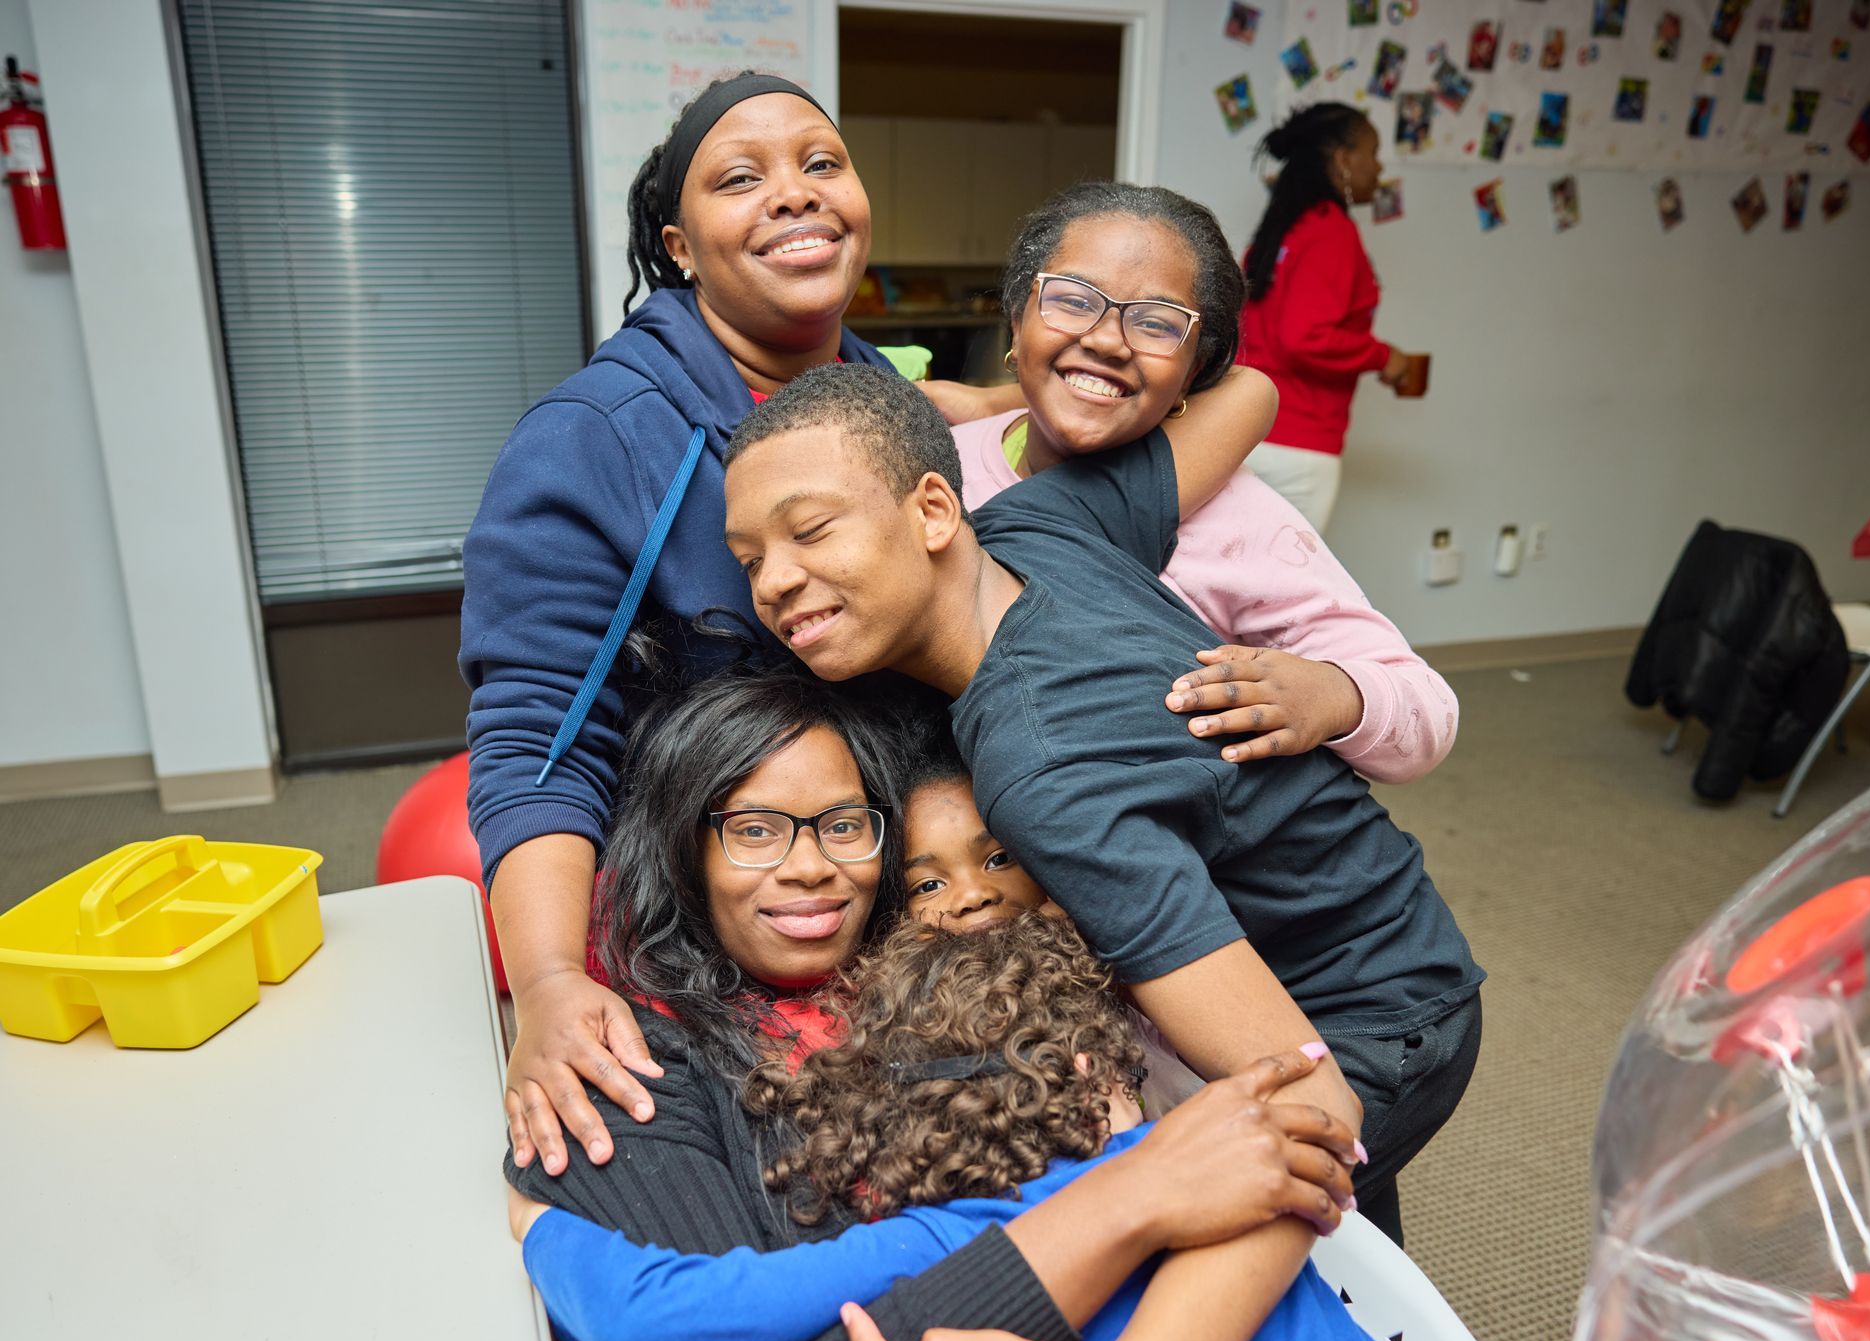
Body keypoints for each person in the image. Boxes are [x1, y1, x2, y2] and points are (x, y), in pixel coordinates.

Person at [463, 81, 1297, 1178]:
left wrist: (1021, 396)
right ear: (678, 246)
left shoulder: (886, 400)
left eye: (821, 163)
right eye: (740, 177)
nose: (793, 197)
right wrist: (551, 982)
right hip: (741, 921)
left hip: (924, 896)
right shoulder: (596, 438)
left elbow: (1159, 426)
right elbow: (535, 737)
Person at [722, 363, 1484, 1247]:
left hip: (1369, 1016)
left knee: (1193, 1249)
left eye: (810, 531)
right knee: (1356, 1280)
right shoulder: (1044, 521)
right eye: (749, 561)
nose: (774, 580)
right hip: (1389, 923)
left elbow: (1309, 1095)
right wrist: (996, 403)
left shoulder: (1041, 771)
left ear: (933, 511)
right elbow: (1247, 393)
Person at [502, 668, 1359, 1341]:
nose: (811, 867)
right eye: (755, 829)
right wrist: (1122, 1202)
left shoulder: (974, 976)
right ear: (683, 844)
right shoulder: (628, 1054)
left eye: (844, 825)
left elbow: (1260, 1151)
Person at [507, 916, 1494, 1341]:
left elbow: (653, 1320)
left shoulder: (951, 1244)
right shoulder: (1234, 1183)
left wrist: (533, 1226)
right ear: (1091, 1069)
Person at [940, 182, 1455, 782]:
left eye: (1158, 324)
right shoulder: (939, 462)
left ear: (1196, 370)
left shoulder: (1235, 520)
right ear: (1016, 316)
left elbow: (1427, 707)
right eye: (1074, 300)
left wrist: (1333, 692)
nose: (1106, 340)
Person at [1239, 103, 1415, 533]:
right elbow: (1305, 338)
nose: (1379, 166)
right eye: (1372, 152)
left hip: (1242, 430)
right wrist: (1384, 357)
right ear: (1342, 159)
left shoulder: (1282, 228)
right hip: (1299, 448)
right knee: (1280, 596)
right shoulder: (1330, 230)